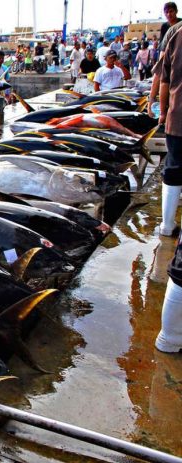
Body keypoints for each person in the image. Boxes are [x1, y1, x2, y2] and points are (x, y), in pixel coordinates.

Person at [156, 23, 182, 353]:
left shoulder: (176, 33)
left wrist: (163, 113)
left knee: (173, 172)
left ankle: (170, 338)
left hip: (179, 119)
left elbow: (164, 79)